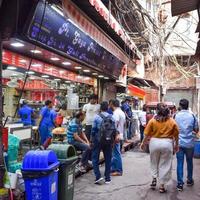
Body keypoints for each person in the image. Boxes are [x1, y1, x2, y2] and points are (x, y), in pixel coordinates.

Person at [140, 103, 179, 193]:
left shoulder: (153, 121)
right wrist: (176, 145)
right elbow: (176, 135)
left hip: (154, 143)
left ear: (157, 111)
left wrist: (143, 143)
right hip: (167, 143)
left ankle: (154, 179)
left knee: (154, 161)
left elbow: (146, 134)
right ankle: (162, 185)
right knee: (165, 164)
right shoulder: (172, 121)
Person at [175, 99, 199, 191]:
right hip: (190, 144)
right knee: (189, 162)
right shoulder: (192, 116)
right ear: (188, 106)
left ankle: (180, 184)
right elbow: (196, 129)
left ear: (180, 106)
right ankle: (189, 180)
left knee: (180, 163)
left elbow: (173, 129)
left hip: (179, 143)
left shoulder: (176, 115)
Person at [91, 101, 117, 184]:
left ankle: (98, 176)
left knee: (95, 158)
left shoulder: (96, 117)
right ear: (107, 108)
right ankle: (107, 178)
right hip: (108, 140)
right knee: (108, 159)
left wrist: (91, 140)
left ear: (100, 108)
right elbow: (115, 130)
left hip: (97, 140)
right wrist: (113, 140)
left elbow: (93, 130)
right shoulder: (112, 117)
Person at [110, 99, 125, 176]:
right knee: (115, 152)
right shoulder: (121, 112)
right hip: (120, 134)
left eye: (110, 104)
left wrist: (115, 135)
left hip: (116, 135)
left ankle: (118, 170)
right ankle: (113, 169)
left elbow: (114, 125)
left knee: (116, 153)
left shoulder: (116, 113)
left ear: (112, 104)